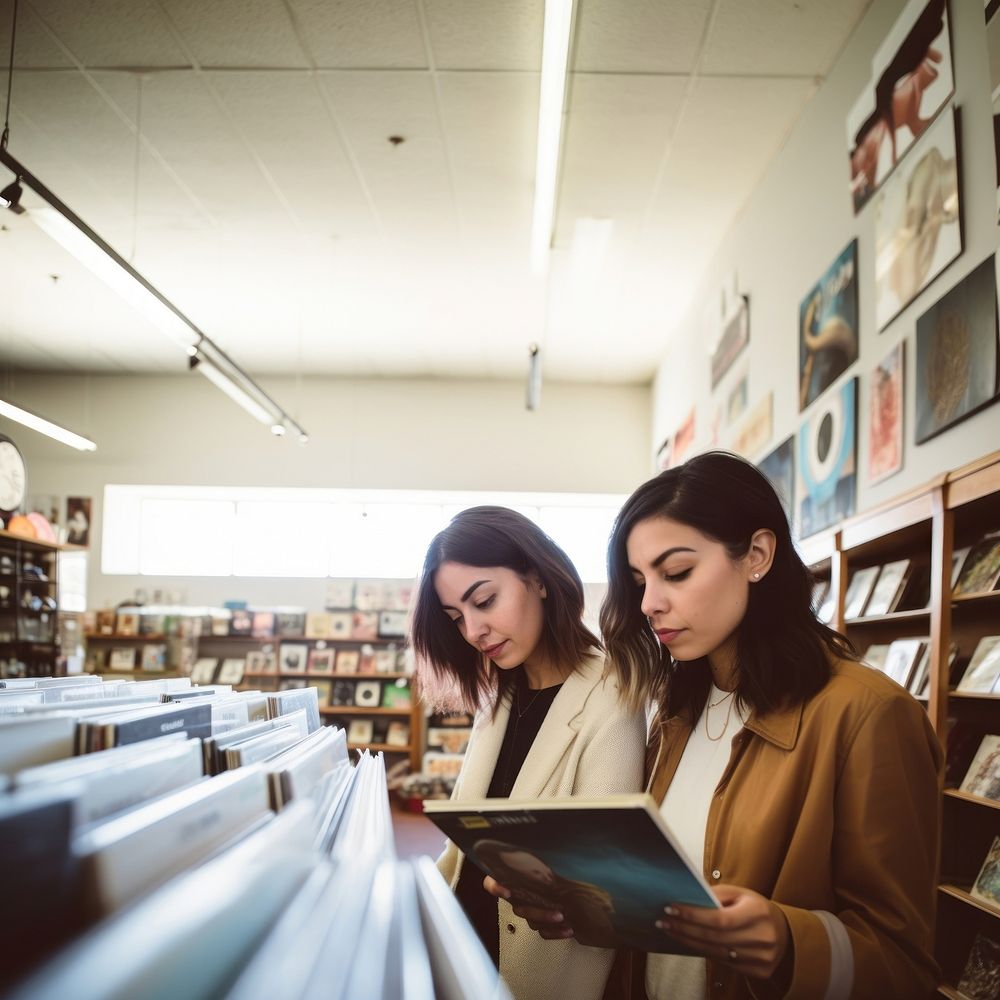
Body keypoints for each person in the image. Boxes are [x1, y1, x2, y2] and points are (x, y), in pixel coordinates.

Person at [494, 452, 942, 999]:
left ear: (756, 554)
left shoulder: (869, 714)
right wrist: (573, 907)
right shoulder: (676, 713)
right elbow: (656, 909)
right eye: (639, 581)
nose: (651, 604)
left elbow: (905, 966)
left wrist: (788, 942)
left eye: (677, 572)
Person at [411, 506, 646, 1000]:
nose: (473, 631)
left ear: (538, 579)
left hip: (544, 973)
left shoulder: (612, 696)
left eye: (485, 601)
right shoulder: (500, 696)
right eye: (457, 617)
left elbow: (600, 884)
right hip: (467, 956)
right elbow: (464, 847)